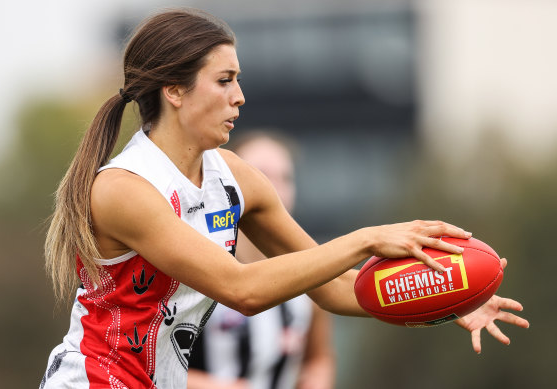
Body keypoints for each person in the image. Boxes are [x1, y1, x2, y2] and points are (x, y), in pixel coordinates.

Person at [40, 8, 529, 389]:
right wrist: (366, 238)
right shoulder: (124, 188)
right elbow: (242, 291)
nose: (240, 97)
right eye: (225, 80)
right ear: (174, 90)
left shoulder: (235, 179)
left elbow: (335, 289)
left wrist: (443, 295)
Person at [187, 131, 335, 389]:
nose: (273, 188)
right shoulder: (191, 265)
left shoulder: (309, 269)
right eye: (261, 175)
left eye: (284, 178)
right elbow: (147, 365)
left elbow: (318, 359)